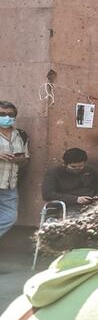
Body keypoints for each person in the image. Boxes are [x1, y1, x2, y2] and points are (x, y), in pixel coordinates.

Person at [42, 147, 98, 212]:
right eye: (73, 167)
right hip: (66, 206)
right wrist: (76, 199)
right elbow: (48, 194)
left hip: (92, 204)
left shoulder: (90, 170)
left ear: (85, 163)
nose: (77, 169)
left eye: (81, 166)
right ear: (64, 164)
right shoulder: (54, 173)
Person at [0, 100, 29, 241]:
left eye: (10, 114)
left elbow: (25, 159)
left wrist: (18, 159)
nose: (6, 117)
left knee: (10, 217)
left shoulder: (21, 135)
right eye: (2, 114)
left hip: (9, 185)